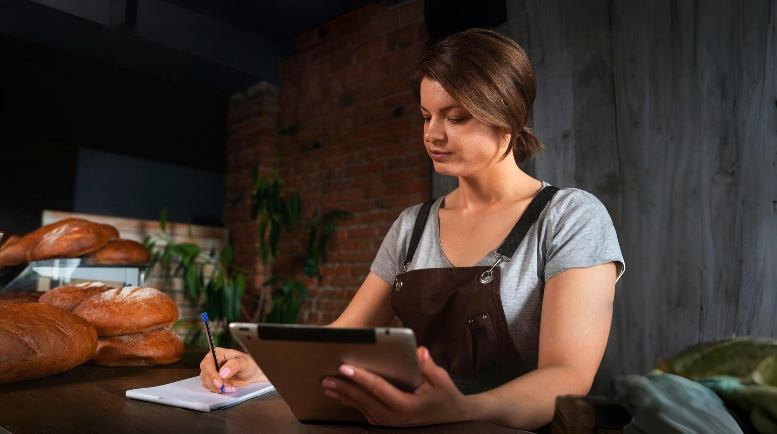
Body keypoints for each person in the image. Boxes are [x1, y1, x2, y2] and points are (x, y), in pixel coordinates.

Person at [198, 28, 624, 430]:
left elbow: (567, 376)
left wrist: (462, 409)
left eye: (455, 117)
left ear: (507, 115)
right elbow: (344, 335)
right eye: (426, 116)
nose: (432, 134)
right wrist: (262, 364)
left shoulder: (570, 217)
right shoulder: (412, 226)